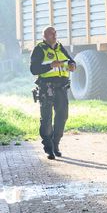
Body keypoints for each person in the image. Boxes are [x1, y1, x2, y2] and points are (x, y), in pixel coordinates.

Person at [29, 26, 76, 160]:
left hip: (61, 87)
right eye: (51, 34)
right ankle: (48, 147)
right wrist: (50, 65)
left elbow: (70, 61)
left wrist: (73, 65)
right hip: (46, 88)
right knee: (47, 118)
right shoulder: (39, 49)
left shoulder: (60, 47)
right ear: (44, 36)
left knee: (62, 116)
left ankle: (56, 144)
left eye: (55, 34)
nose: (54, 36)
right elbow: (33, 69)